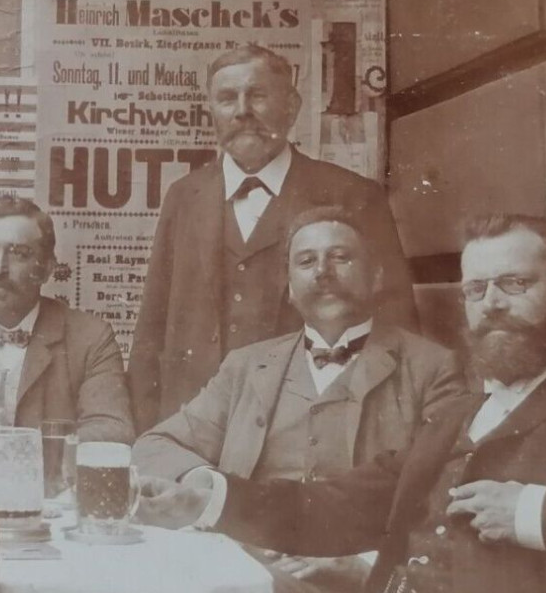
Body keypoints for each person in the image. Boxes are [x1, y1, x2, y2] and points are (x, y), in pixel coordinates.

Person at [137, 214, 546, 593]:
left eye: (515, 284)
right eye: (476, 290)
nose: (492, 305)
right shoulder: (462, 415)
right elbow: (337, 503)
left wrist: (535, 509)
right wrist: (207, 499)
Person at [134, 206, 467, 593]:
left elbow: (444, 496)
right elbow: (155, 446)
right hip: (240, 562)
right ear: (290, 288)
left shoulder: (431, 368)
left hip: (350, 587)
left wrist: (357, 563)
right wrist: (205, 488)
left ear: (375, 277)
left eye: (341, 257)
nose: (323, 273)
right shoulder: (248, 366)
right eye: (306, 261)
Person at [128, 44, 417, 431]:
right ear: (212, 110)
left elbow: (394, 325)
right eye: (227, 98)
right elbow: (152, 328)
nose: (242, 111)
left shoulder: (352, 196)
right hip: (192, 426)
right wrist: (147, 437)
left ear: (292, 107)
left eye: (258, 95)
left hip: (306, 432)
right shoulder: (184, 196)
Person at [0, 196, 134, 443]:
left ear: (47, 268)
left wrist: (17, 449)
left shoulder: (91, 338)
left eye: (19, 254)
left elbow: (112, 429)